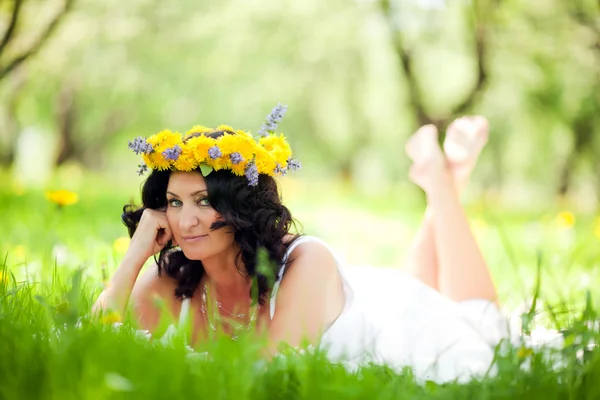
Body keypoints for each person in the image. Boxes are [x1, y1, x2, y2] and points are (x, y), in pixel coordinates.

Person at [93, 105, 509, 383]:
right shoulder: (174, 277)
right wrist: (135, 256)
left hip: (396, 317)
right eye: (174, 203)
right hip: (366, 295)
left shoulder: (307, 259)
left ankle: (441, 181)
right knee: (424, 282)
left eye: (205, 201)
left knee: (478, 318)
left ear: (240, 206)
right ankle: (443, 179)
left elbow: (272, 375)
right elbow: (92, 343)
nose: (186, 221)